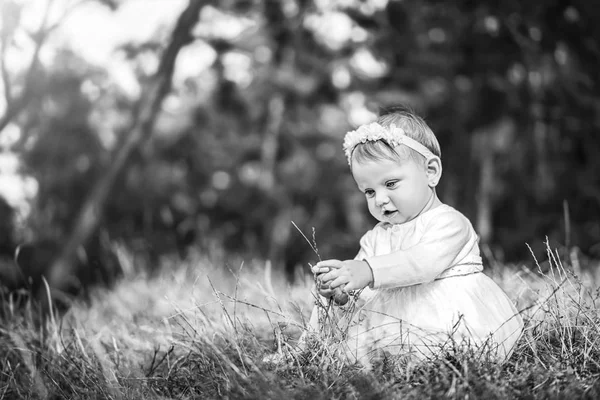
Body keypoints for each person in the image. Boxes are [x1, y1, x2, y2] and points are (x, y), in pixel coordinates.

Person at [307, 107, 523, 366]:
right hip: (392, 321)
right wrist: (343, 291)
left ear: (430, 172)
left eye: (390, 184)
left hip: (447, 317)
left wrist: (367, 270)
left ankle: (446, 364)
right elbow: (364, 287)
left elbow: (423, 263)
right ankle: (307, 352)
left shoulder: (449, 222)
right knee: (357, 353)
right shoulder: (376, 237)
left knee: (439, 352)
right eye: (369, 192)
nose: (380, 199)